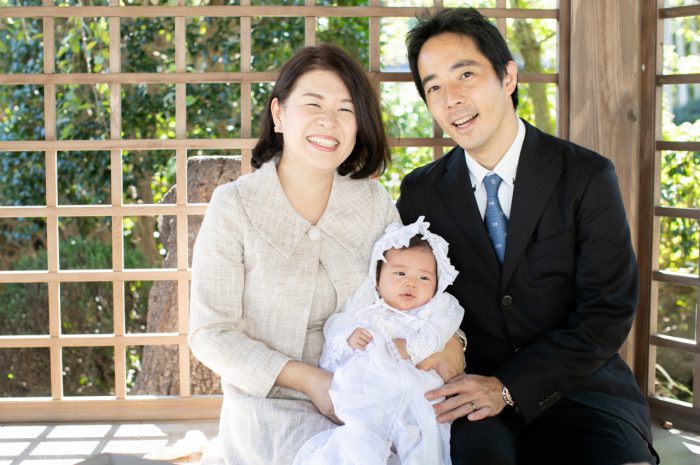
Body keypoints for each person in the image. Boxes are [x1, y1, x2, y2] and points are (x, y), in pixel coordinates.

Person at [396, 7, 659, 465]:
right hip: (469, 394)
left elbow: (608, 309)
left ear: (508, 77)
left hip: (581, 389)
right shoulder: (421, 192)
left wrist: (510, 387)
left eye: (465, 75)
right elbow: (410, 296)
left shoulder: (586, 175)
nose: (451, 98)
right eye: (433, 87)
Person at [188, 44, 401, 465]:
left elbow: (409, 293)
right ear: (280, 114)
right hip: (268, 407)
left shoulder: (375, 203)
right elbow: (210, 334)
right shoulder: (235, 204)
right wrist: (310, 381)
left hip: (369, 396)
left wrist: (448, 340)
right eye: (314, 104)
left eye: (346, 109)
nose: (330, 121)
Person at [294, 217, 464, 465]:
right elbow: (336, 323)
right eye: (400, 273)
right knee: (360, 442)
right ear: (377, 278)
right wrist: (350, 335)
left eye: (424, 278)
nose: (411, 283)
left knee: (422, 443)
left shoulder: (435, 310)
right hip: (370, 395)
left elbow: (442, 330)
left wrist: (414, 348)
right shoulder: (368, 308)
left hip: (419, 397)